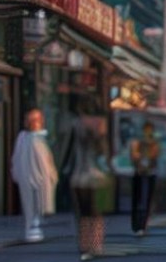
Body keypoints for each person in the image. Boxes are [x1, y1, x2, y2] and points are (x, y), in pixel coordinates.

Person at [59, 103, 113, 261]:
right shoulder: (100, 125)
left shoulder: (75, 125)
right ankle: (95, 246)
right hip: (99, 178)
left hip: (79, 177)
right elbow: (104, 153)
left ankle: (85, 247)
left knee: (83, 214)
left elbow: (67, 153)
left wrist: (63, 171)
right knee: (96, 213)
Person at [11, 108, 58, 243]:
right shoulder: (30, 139)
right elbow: (44, 162)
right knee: (32, 205)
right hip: (33, 178)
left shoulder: (31, 138)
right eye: (36, 120)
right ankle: (33, 229)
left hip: (32, 178)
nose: (39, 122)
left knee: (35, 205)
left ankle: (33, 228)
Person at [128, 120, 161, 236]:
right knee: (138, 199)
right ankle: (137, 225)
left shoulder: (154, 143)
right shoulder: (137, 142)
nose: (148, 132)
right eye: (146, 129)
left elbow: (156, 155)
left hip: (150, 173)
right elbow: (133, 156)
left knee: (147, 200)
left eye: (149, 129)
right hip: (139, 173)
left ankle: (143, 225)